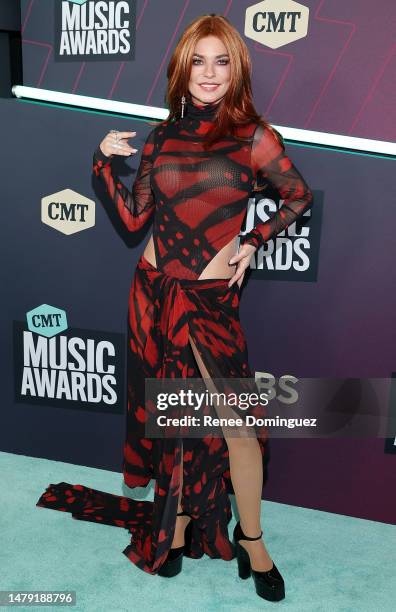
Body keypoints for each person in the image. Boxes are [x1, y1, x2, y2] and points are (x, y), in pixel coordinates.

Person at [36, 14, 313, 603]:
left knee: (240, 428)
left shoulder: (253, 136)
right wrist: (101, 164)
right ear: (180, 68)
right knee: (176, 422)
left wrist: (254, 242)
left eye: (222, 62)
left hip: (209, 302)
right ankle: (181, 522)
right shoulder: (160, 138)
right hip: (156, 294)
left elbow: (297, 194)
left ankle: (252, 538)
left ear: (235, 70)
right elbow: (136, 221)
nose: (209, 74)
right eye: (198, 61)